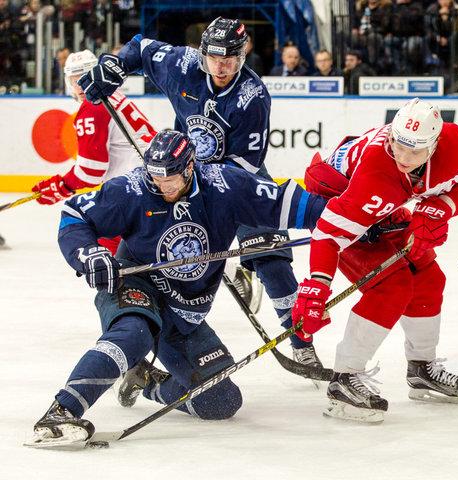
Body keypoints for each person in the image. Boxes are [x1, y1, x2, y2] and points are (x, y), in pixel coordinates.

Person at [28, 130, 326, 447]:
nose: (162, 186)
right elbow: (75, 215)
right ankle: (61, 412)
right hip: (135, 282)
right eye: (155, 177)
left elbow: (288, 203)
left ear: (189, 167)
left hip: (184, 311)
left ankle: (144, 382)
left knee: (221, 402)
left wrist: (349, 218)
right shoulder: (132, 189)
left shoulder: (225, 185)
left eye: (170, 178)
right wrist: (88, 254)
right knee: (135, 332)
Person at [78, 17, 324, 369]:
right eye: (213, 58)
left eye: (229, 59)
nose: (220, 67)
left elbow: (244, 171)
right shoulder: (182, 64)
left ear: (244, 54)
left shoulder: (251, 97)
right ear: (202, 53)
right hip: (179, 174)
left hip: (233, 180)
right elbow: (140, 48)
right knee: (161, 245)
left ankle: (300, 339)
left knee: (272, 257)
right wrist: (114, 64)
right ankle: (138, 323)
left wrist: (209, 211)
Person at [291, 98, 458, 422]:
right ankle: (344, 379)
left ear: (435, 146)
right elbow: (328, 234)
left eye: (416, 151)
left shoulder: (453, 143)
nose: (404, 157)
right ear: (392, 135)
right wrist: (316, 284)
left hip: (384, 208)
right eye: (399, 145)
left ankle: (422, 368)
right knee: (391, 288)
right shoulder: (377, 173)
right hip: (334, 196)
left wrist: (441, 208)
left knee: (428, 278)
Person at [31, 49, 157, 254]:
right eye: (74, 79)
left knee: (93, 229)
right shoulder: (112, 95)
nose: (79, 85)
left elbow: (92, 171)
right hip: (152, 182)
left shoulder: (93, 105)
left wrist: (62, 186)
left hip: (132, 190)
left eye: (84, 77)